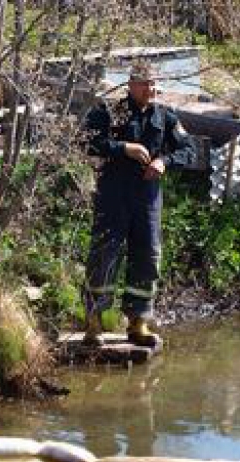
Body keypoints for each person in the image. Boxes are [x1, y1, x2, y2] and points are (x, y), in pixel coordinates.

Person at [82, 60, 195, 347]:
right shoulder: (111, 112)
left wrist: (164, 162)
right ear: (131, 85)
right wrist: (124, 148)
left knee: (147, 257)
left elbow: (189, 151)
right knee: (104, 255)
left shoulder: (165, 116)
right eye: (146, 84)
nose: (152, 89)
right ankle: (94, 320)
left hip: (147, 200)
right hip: (113, 197)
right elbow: (87, 142)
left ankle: (138, 322)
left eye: (155, 84)